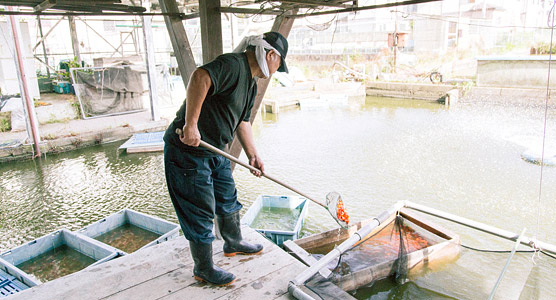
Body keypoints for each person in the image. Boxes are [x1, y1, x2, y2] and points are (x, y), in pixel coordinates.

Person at [163, 32, 289, 286]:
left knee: (227, 197)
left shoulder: (252, 84)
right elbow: (200, 76)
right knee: (200, 209)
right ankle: (204, 268)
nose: (275, 71)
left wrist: (254, 155)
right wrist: (191, 124)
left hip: (216, 150)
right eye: (279, 65)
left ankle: (233, 242)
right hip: (188, 152)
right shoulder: (233, 64)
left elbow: (242, 122)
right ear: (271, 55)